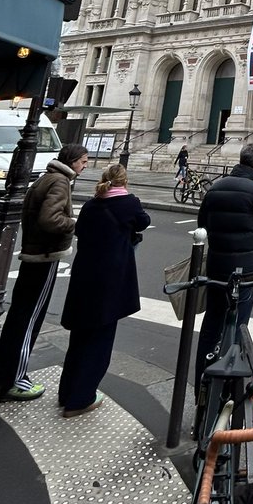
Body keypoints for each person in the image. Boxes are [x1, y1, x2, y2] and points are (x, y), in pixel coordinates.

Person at [0, 143, 88, 402]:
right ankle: (15, 381)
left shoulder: (46, 178)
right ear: (73, 160)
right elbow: (49, 219)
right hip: (44, 255)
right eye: (84, 161)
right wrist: (73, 223)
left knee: (19, 315)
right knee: (29, 319)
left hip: (34, 253)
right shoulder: (60, 182)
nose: (85, 165)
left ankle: (2, 377)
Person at [58, 163, 151, 417]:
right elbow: (143, 222)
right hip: (109, 281)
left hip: (83, 278)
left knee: (79, 338)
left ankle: (66, 392)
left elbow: (80, 232)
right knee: (100, 340)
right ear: (124, 181)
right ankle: (80, 398)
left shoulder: (90, 205)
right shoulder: (129, 203)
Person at [194, 141, 253, 388]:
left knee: (212, 323)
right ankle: (228, 388)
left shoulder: (216, 188)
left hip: (216, 268)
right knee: (238, 326)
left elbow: (202, 224)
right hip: (244, 273)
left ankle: (202, 381)